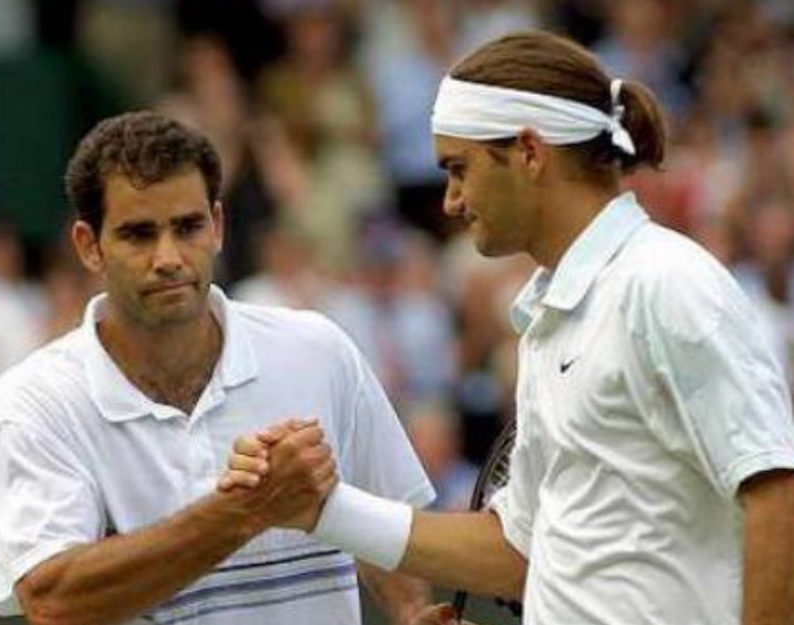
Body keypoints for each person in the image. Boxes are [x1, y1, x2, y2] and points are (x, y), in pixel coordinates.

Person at [222, 31, 794, 625]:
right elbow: (520, 549)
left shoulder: (666, 282)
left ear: (527, 151)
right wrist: (323, 509)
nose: (450, 200)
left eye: (459, 168)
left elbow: (777, 493)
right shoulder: (552, 318)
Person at [0, 111, 436, 625]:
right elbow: (53, 601)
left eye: (188, 227)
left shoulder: (319, 350)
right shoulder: (35, 400)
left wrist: (413, 611)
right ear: (89, 246)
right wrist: (247, 509)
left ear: (217, 226)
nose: (168, 257)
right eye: (138, 235)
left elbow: (390, 525)